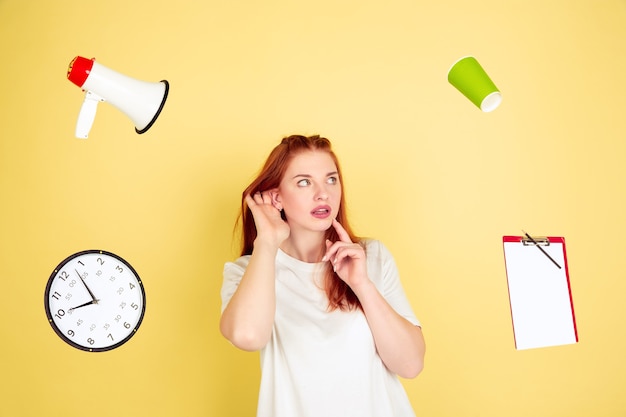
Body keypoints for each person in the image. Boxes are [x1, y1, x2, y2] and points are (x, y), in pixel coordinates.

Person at [220, 134, 425, 417]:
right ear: (277, 196)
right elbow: (247, 336)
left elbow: (411, 364)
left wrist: (362, 285)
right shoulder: (249, 270)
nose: (323, 193)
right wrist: (267, 242)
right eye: (304, 182)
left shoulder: (371, 257)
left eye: (331, 179)